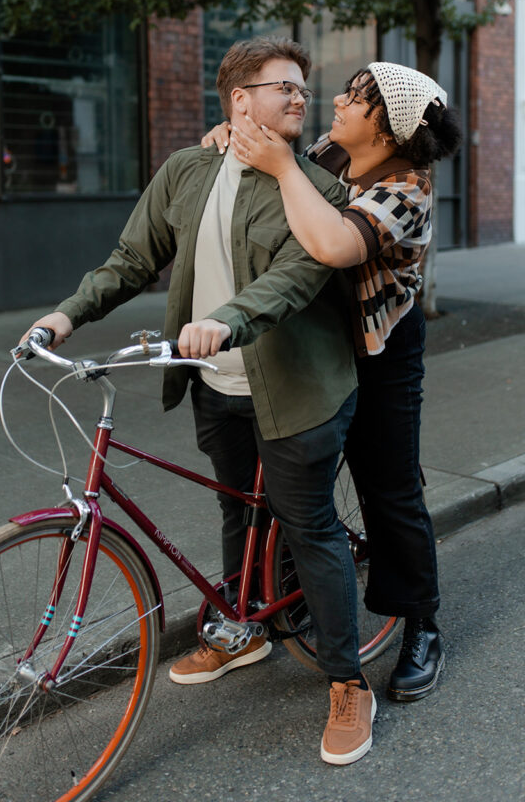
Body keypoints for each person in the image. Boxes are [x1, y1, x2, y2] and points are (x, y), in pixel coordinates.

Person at [20, 37, 379, 766]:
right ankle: (241, 626)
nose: (300, 98)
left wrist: (226, 321)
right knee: (234, 508)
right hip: (216, 385)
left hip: (299, 389)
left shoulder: (316, 187)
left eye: (302, 88)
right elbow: (130, 260)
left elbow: (290, 280)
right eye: (284, 86)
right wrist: (63, 315)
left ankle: (347, 680)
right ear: (238, 98)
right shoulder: (187, 169)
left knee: (307, 527)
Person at [204, 60, 461, 704]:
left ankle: (421, 623)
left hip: (380, 351)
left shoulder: (408, 187)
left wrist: (283, 168)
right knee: (295, 480)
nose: (338, 100)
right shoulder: (330, 152)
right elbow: (267, 155)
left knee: (390, 488)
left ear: (390, 126)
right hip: (315, 338)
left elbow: (332, 245)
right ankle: (291, 599)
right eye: (347, 89)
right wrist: (228, 135)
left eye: (358, 96)